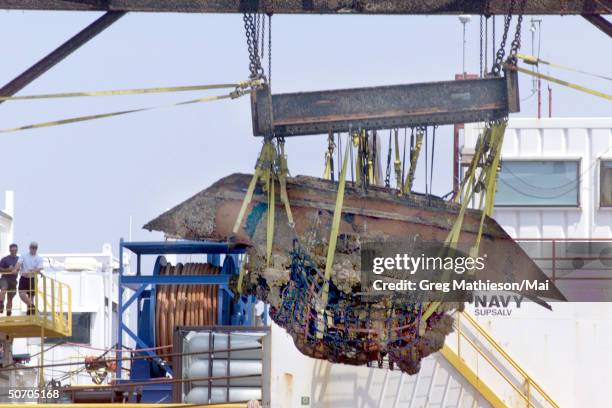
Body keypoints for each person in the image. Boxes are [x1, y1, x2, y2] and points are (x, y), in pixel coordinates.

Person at [17, 242, 44, 315]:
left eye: (35, 247)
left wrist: (34, 270)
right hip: (24, 278)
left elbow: (40, 267)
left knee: (31, 296)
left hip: (32, 279)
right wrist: (16, 269)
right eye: (32, 247)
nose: (33, 249)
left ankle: (30, 312)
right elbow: (18, 263)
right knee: (22, 294)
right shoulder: (24, 255)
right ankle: (33, 307)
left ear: (37, 248)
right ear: (29, 248)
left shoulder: (39, 258)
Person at [0, 243, 19, 316]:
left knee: (10, 299)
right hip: (5, 279)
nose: (14, 251)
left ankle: (8, 314)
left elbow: (22, 268)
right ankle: (1, 305)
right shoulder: (5, 259)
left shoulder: (19, 259)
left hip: (13, 281)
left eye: (15, 250)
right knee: (3, 289)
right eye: (12, 250)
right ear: (10, 250)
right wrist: (8, 269)